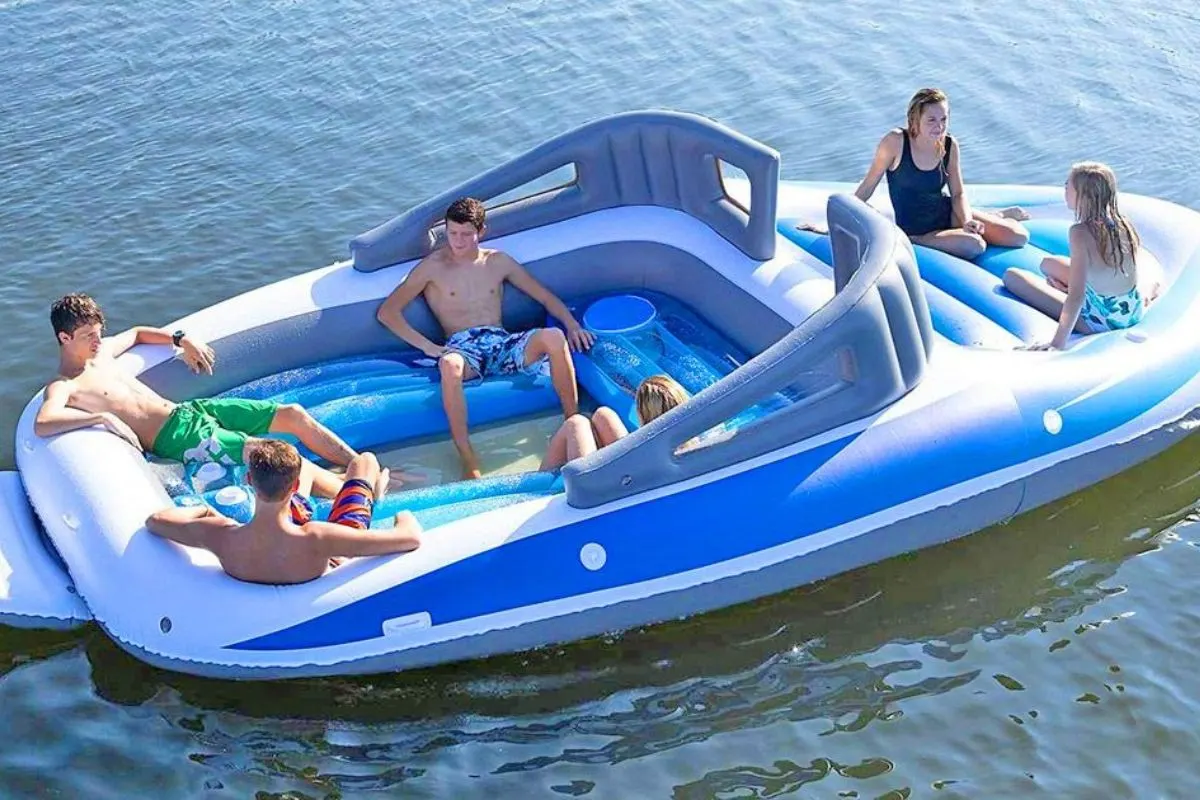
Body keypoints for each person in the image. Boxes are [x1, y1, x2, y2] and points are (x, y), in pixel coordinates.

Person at [34, 293, 356, 497]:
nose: (98, 341)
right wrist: (102, 417)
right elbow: (44, 422)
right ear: (64, 337)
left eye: (99, 333)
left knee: (293, 414)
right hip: (177, 439)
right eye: (89, 336)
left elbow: (135, 334)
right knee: (271, 453)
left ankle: (358, 466)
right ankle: (359, 492)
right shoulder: (66, 384)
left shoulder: (102, 354)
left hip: (190, 411)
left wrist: (181, 339)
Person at [377, 197, 595, 480]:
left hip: (501, 341)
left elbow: (542, 295)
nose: (457, 241)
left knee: (554, 337)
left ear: (481, 231)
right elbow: (388, 313)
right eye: (452, 233)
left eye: (466, 234)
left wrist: (572, 325)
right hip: (463, 347)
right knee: (449, 366)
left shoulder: (497, 261)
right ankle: (468, 459)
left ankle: (572, 423)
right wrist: (428, 346)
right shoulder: (432, 267)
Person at [147, 442, 421, 585]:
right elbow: (409, 537)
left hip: (279, 526)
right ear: (294, 486)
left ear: (248, 480)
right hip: (326, 549)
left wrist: (205, 509)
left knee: (307, 468)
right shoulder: (319, 537)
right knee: (365, 461)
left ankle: (338, 484)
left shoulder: (221, 536)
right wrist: (403, 515)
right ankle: (371, 489)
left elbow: (156, 521)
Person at [852, 87, 1030, 259]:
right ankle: (914, 240)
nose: (939, 126)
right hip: (918, 231)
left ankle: (994, 216)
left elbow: (958, 193)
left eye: (943, 119)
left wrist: (967, 221)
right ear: (915, 119)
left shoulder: (950, 145)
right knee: (975, 245)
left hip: (947, 213)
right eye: (931, 120)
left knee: (1018, 236)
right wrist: (842, 216)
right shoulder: (895, 142)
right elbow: (869, 184)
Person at [1003, 162, 1145, 350]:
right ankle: (1067, 288)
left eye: (1067, 185)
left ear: (1082, 195)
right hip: (1132, 309)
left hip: (1104, 321)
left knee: (1013, 277)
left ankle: (1066, 299)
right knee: (1048, 264)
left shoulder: (1080, 233)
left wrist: (1057, 344)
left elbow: (1076, 296)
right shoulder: (1123, 224)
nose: (1064, 189)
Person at [540, 374, 692, 470]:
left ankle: (538, 485)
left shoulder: (651, 448)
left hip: (599, 490)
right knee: (603, 415)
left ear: (642, 414)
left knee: (576, 423)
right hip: (633, 468)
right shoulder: (693, 440)